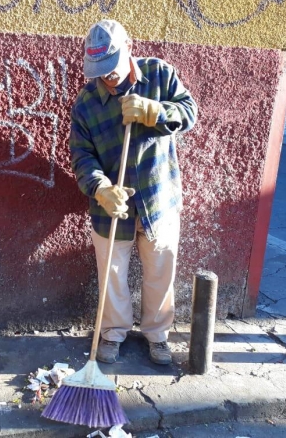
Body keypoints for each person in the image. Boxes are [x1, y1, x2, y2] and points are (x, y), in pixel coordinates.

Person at [70, 19, 198, 365]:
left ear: (130, 46)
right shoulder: (85, 104)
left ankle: (157, 335)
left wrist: (155, 111)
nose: (108, 78)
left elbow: (190, 112)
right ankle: (112, 333)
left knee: (160, 274)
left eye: (112, 68)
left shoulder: (159, 75)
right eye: (100, 71)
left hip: (159, 200)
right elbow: (81, 156)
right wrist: (101, 189)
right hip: (111, 209)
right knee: (111, 275)